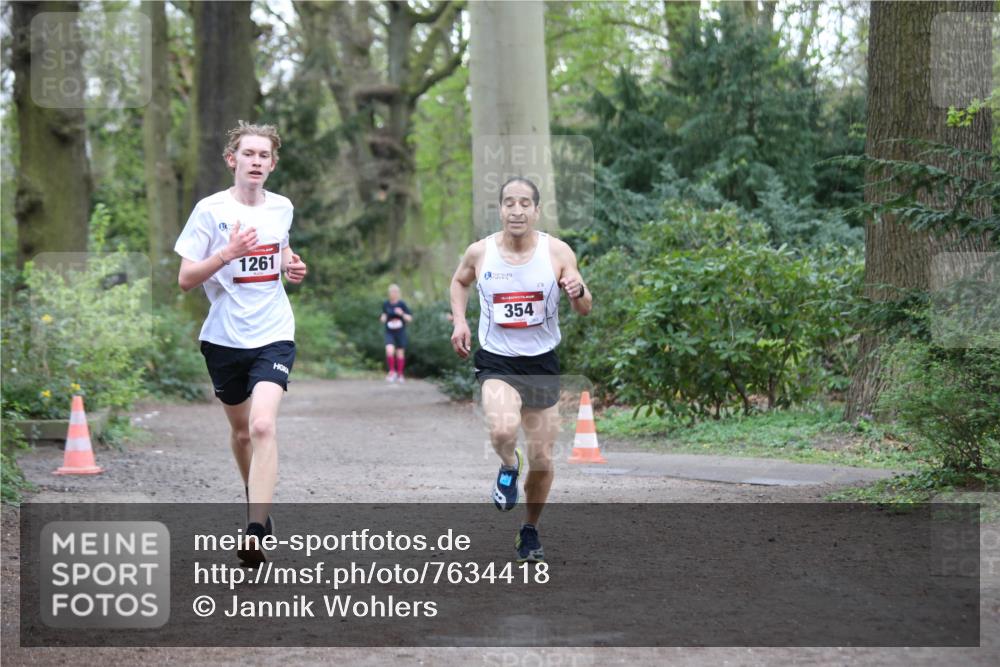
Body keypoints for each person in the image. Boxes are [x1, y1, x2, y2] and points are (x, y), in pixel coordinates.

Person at [175, 121, 307, 566]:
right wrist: (226, 254)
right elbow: (185, 279)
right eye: (248, 154)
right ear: (232, 160)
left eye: (263, 155)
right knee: (242, 431)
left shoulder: (282, 207)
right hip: (224, 338)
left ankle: (255, 528)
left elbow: (281, 247)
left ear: (272, 164)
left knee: (263, 425)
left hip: (274, 332)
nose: (256, 161)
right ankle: (257, 501)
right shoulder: (209, 210)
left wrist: (290, 264)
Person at [449, 177, 591, 562]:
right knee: (502, 428)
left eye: (525, 203)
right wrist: (460, 321)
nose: (517, 210)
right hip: (497, 360)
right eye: (509, 203)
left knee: (543, 460)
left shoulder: (557, 251)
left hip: (542, 362)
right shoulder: (480, 252)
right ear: (500, 210)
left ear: (537, 211)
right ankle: (509, 466)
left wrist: (578, 291)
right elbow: (459, 282)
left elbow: (584, 306)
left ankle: (529, 529)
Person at [380, 284, 413, 383]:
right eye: (392, 292)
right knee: (389, 350)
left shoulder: (402, 304)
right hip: (389, 331)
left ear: (398, 293)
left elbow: (409, 318)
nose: (393, 294)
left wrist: (402, 314)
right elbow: (383, 316)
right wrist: (383, 318)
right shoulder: (386, 304)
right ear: (389, 293)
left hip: (400, 332)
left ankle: (400, 374)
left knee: (400, 353)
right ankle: (392, 372)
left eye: (395, 292)